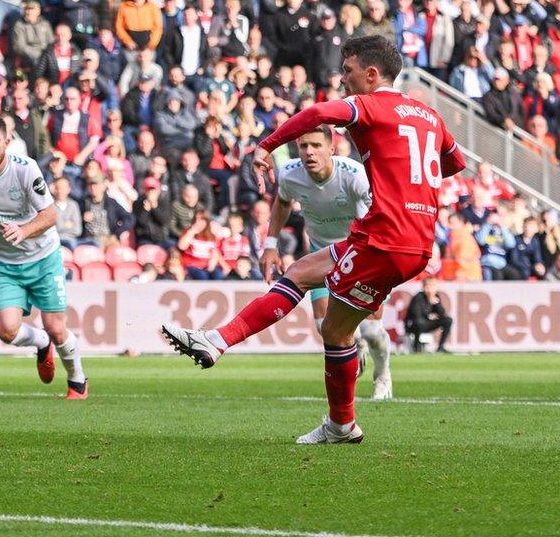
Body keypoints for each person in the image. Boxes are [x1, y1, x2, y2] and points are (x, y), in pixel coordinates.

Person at [161, 36, 466, 444]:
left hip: (384, 236)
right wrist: (410, 186)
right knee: (333, 326)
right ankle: (341, 426)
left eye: (349, 71)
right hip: (417, 241)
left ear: (372, 75)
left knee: (303, 279)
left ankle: (218, 342)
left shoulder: (372, 104)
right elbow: (455, 161)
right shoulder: (430, 115)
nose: (343, 79)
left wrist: (267, 145)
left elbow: (320, 112)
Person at [0, 114, 89, 399]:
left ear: (7, 142)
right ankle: (41, 343)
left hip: (43, 257)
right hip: (6, 263)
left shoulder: (26, 169)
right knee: (6, 331)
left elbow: (51, 214)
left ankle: (77, 379)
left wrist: (24, 230)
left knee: (56, 327)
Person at [261, 126, 393, 400]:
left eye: (316, 146)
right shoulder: (289, 173)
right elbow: (283, 202)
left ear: (331, 149)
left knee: (371, 329)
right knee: (325, 327)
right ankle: (353, 345)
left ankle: (383, 374)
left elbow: (369, 225)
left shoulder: (355, 176)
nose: (309, 152)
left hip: (361, 252)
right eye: (303, 146)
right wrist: (271, 244)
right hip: (323, 251)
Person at [404, 277, 453, 353]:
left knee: (448, 320)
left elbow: (442, 314)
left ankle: (441, 347)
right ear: (424, 287)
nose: (430, 289)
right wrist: (429, 302)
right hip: (414, 325)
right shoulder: (418, 297)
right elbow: (416, 315)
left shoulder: (436, 297)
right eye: (428, 286)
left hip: (426, 323)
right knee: (418, 322)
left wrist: (437, 304)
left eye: (433, 286)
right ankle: (416, 347)